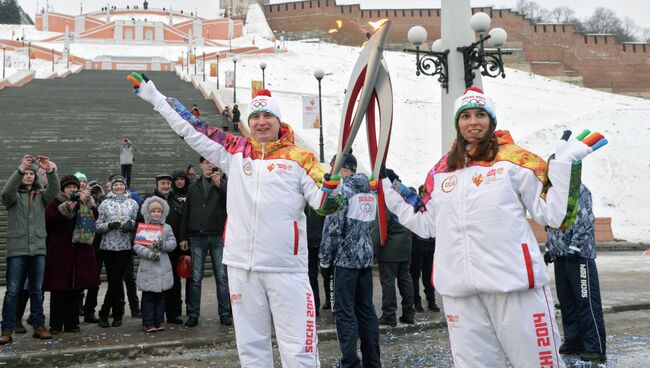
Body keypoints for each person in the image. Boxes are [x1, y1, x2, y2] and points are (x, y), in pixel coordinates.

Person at [381, 87, 606, 367]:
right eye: (465, 116)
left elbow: (555, 216)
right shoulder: (441, 171)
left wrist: (564, 167)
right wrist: (388, 189)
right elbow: (426, 223)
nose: (473, 122)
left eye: (480, 115)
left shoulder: (516, 161)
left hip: (513, 287)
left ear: (491, 120)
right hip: (460, 292)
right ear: (457, 123)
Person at [133, 75, 342, 367]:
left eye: (268, 115)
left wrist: (333, 191)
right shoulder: (234, 150)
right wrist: (156, 98)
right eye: (255, 115)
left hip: (286, 269)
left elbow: (324, 203)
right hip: (242, 267)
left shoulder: (301, 158)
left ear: (278, 120)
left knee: (299, 349)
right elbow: (195, 129)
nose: (261, 121)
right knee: (251, 348)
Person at [320, 153, 381, 367]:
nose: (332, 172)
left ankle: (350, 362)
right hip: (365, 259)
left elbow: (333, 229)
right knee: (366, 311)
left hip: (344, 262)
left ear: (344, 169)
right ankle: (373, 361)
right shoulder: (370, 190)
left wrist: (325, 261)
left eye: (334, 167)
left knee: (344, 313)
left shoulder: (343, 190)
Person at [545, 184, 607, 363]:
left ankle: (595, 347)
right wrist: (551, 248)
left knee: (586, 301)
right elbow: (551, 223)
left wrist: (575, 246)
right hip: (561, 255)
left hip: (579, 255)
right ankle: (574, 342)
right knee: (567, 302)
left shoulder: (579, 190)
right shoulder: (552, 192)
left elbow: (585, 220)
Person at [1, 155, 59, 344]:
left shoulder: (41, 196)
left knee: (36, 290)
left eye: (31, 173)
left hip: (38, 249)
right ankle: (7, 329)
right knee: (12, 291)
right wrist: (20, 168)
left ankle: (39, 326)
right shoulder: (12, 197)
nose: (28, 176)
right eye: (25, 173)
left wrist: (49, 170)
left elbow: (55, 189)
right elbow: (5, 192)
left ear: (35, 177)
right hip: (17, 249)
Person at [43, 175, 100, 334]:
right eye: (69, 187)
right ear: (63, 189)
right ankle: (55, 324)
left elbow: (95, 217)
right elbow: (48, 222)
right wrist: (65, 209)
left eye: (75, 187)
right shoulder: (56, 202)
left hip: (79, 252)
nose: (72, 190)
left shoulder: (84, 202)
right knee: (59, 289)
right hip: (60, 252)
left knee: (76, 289)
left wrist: (88, 202)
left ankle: (72, 324)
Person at [179, 159, 231, 328]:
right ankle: (193, 314)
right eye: (206, 163)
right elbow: (187, 212)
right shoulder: (193, 187)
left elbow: (233, 202)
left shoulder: (223, 184)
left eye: (212, 163)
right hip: (197, 237)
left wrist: (220, 185)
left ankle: (225, 313)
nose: (209, 166)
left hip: (217, 236)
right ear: (201, 165)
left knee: (222, 277)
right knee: (195, 278)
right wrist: (183, 237)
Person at [139, 174, 185, 324]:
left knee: (173, 282)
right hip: (152, 252)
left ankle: (173, 313)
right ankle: (153, 317)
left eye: (168, 183)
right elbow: (140, 225)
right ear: (157, 185)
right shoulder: (149, 201)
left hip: (171, 249)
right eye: (162, 183)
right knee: (153, 286)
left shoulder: (176, 201)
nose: (166, 186)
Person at [95, 175, 139, 328]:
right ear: (112, 187)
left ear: (125, 186)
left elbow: (137, 221)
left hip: (125, 247)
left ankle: (104, 312)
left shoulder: (132, 203)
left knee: (115, 280)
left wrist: (131, 224)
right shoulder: (105, 203)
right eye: (116, 185)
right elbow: (98, 225)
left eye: (121, 184)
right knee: (114, 282)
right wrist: (109, 225)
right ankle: (117, 314)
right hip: (108, 247)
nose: (119, 187)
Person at [372, 169, 415, 327]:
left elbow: (380, 225)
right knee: (405, 280)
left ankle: (389, 315)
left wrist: (374, 249)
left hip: (390, 248)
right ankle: (409, 314)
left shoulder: (387, 196)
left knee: (388, 282)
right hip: (406, 245)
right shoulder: (404, 192)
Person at [134, 196, 177, 332]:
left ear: (163, 212)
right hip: (148, 265)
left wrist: (163, 245)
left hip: (163, 265)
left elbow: (173, 243)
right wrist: (149, 254)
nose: (156, 213)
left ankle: (158, 321)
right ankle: (148, 323)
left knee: (160, 298)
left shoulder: (167, 228)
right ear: (148, 212)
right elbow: (137, 246)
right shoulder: (144, 228)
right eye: (153, 211)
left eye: (159, 211)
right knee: (148, 298)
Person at [410, 185, 439, 313]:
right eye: (426, 193)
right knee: (415, 276)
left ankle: (431, 301)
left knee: (428, 276)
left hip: (430, 247)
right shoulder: (414, 206)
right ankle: (416, 302)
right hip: (416, 247)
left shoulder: (432, 207)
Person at [82, 180, 107, 323]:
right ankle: (82, 309)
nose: (95, 192)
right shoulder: (85, 200)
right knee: (88, 280)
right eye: (93, 189)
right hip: (88, 245)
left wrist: (102, 196)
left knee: (95, 281)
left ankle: (89, 310)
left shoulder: (105, 201)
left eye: (97, 189)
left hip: (104, 244)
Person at [305, 204, 325, 316]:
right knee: (312, 276)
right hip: (308, 242)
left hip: (322, 240)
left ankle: (331, 302)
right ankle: (314, 306)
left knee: (328, 275)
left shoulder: (321, 194)